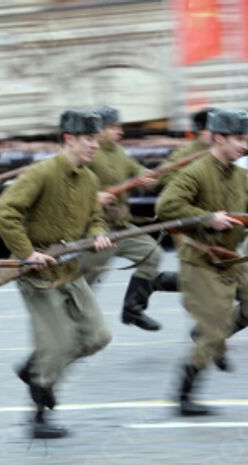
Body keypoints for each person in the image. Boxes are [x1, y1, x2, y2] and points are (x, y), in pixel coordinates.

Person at [0, 109, 113, 439]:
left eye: (96, 140)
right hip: (38, 274)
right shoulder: (41, 173)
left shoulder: (89, 180)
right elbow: (5, 212)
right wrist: (28, 253)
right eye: (89, 140)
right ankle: (38, 414)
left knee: (97, 336)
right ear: (69, 139)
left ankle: (35, 368)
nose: (95, 146)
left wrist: (100, 232)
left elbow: (95, 218)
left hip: (71, 270)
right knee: (58, 342)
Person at [156, 108, 248, 416]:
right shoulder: (195, 172)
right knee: (214, 331)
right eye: (239, 139)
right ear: (219, 138)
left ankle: (213, 332)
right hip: (202, 260)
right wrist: (207, 218)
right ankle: (184, 395)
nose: (245, 145)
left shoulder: (241, 176)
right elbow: (166, 206)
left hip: (233, 257)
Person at [81, 105, 178, 331]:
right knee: (85, 283)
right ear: (100, 129)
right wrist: (94, 197)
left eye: (119, 126)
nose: (119, 131)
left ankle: (133, 309)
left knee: (152, 254)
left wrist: (146, 176)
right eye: (113, 127)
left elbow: (136, 169)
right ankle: (70, 325)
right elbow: (71, 183)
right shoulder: (89, 152)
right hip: (97, 231)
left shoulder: (118, 151)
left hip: (122, 226)